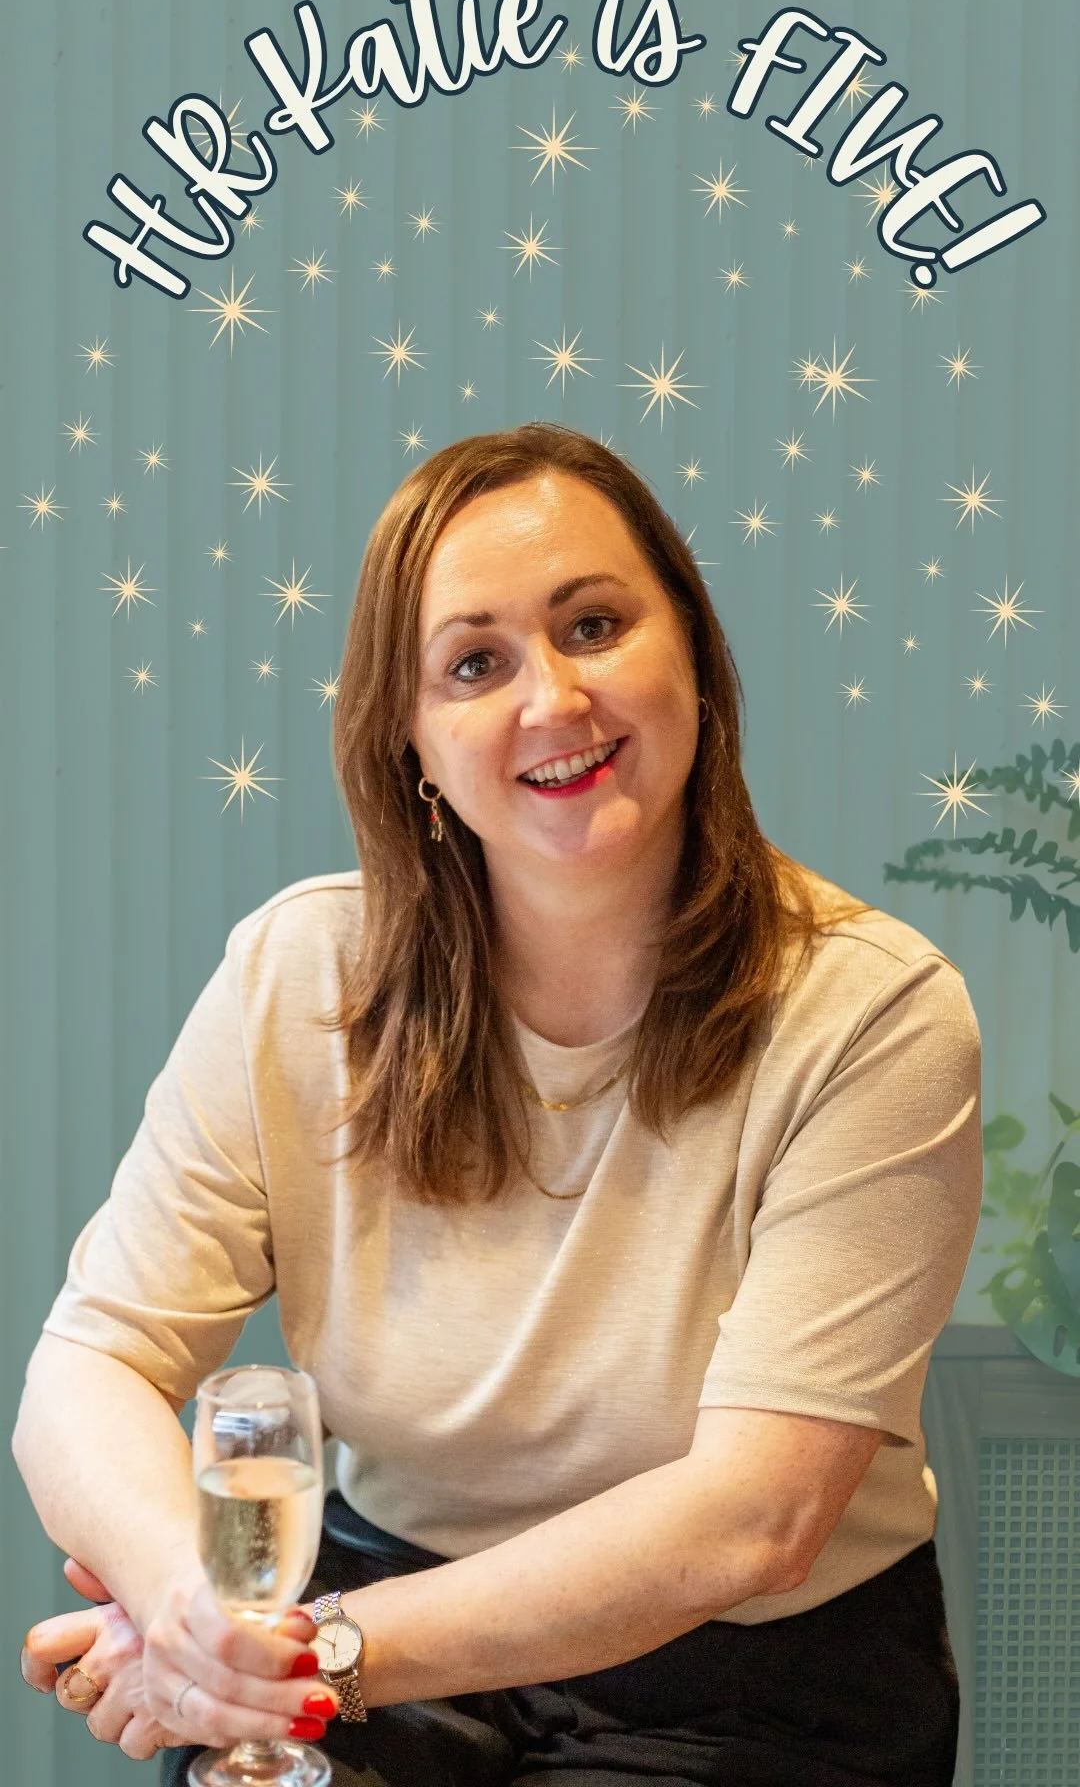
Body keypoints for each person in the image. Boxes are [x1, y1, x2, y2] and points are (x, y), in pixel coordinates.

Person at [14, 422, 982, 1786]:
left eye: (594, 626)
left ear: (694, 656)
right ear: (410, 738)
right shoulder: (297, 974)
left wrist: (304, 1660)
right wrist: (196, 1622)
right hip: (374, 1614)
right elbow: (91, 1364)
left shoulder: (878, 1013)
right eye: (474, 663)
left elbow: (754, 1521)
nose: (553, 698)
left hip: (754, 1683)